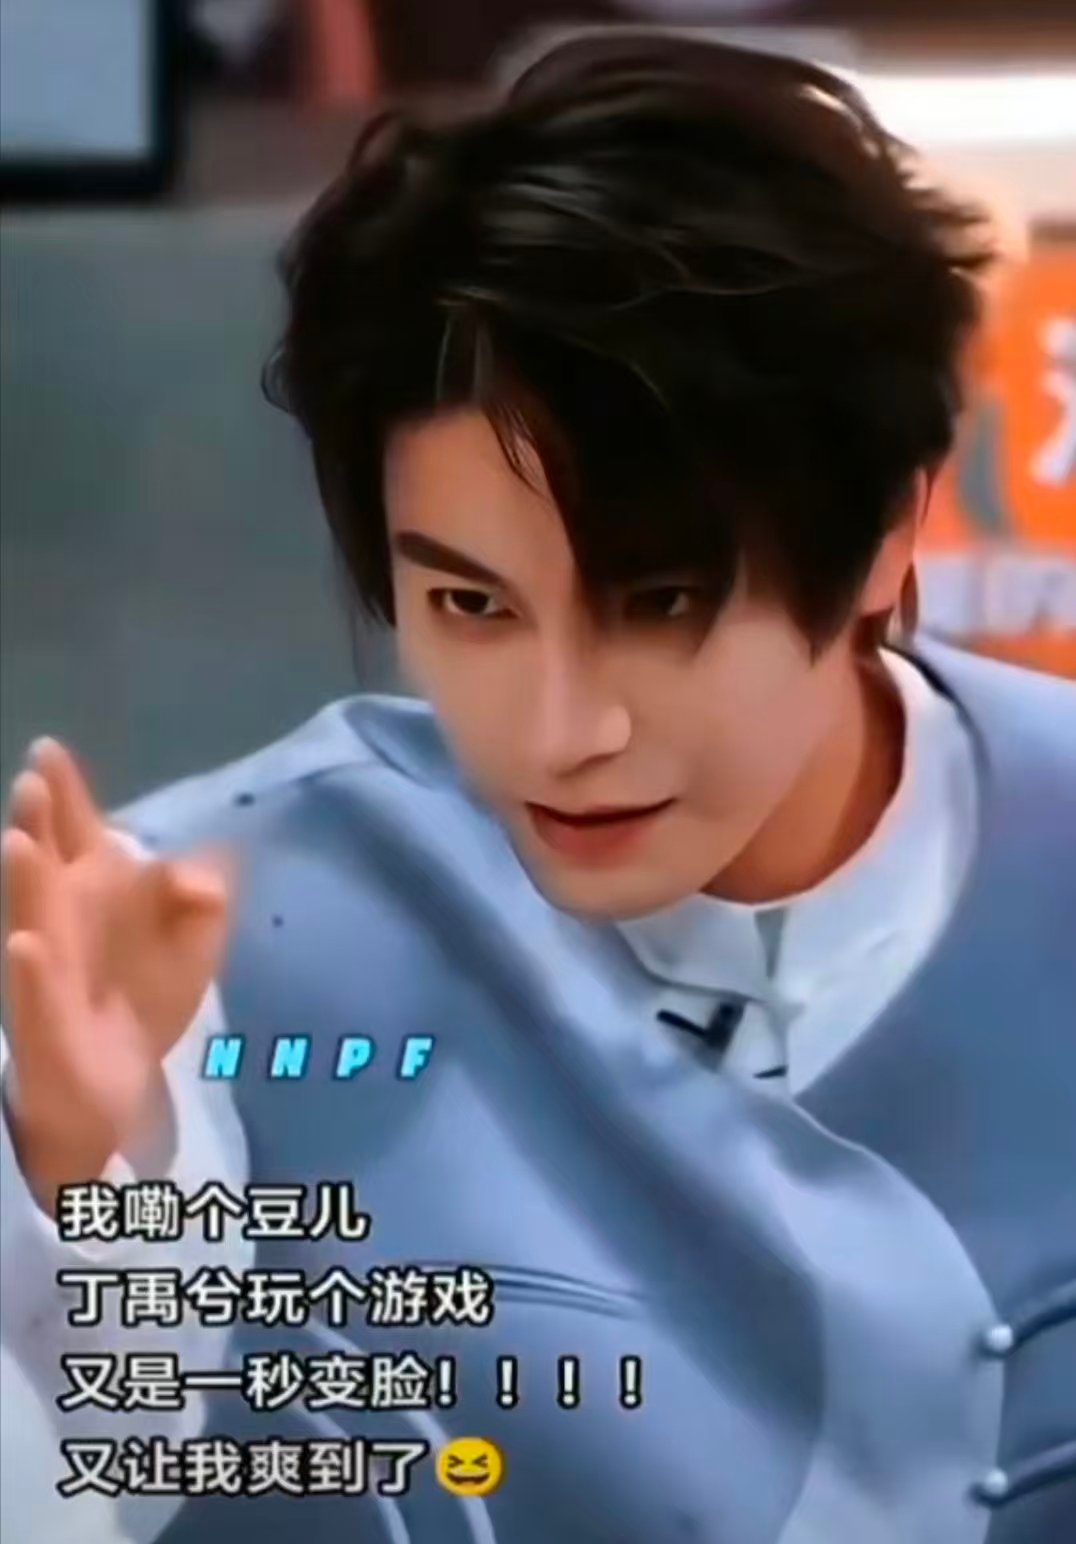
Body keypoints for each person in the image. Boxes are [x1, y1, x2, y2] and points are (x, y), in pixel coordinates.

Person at [2, 33, 1074, 1544]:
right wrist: (101, 1188)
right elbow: (95, 1470)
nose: (561, 731)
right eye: (472, 607)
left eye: (661, 602)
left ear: (890, 532)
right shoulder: (204, 942)